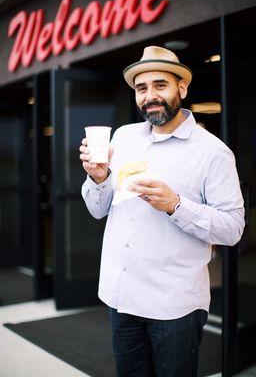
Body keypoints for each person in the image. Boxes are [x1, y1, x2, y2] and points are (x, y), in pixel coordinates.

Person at [79, 46, 245, 377]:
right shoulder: (124, 138)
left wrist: (177, 205)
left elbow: (232, 228)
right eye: (142, 88)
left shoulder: (212, 152)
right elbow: (99, 211)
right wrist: (98, 179)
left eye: (160, 85)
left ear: (182, 88)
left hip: (174, 305)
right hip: (121, 296)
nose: (150, 96)